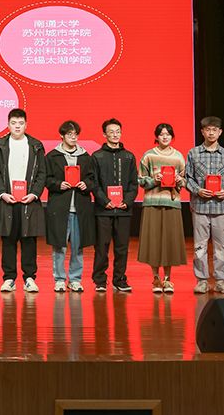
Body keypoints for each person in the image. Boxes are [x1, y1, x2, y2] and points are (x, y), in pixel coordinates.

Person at [0, 108, 48, 293]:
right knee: (8, 240)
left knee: (29, 240)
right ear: (8, 125)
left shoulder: (35, 146)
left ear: (26, 125)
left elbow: (42, 173)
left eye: (21, 123)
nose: (17, 127)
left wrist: (35, 193)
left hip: (29, 201)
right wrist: (2, 193)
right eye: (14, 123)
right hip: (8, 200)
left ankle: (29, 278)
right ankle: (9, 278)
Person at [184, 116, 224, 295]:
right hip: (200, 206)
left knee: (221, 247)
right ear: (202, 132)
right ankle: (201, 281)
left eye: (215, 129)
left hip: (221, 207)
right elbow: (188, 178)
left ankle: (221, 281)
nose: (211, 133)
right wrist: (198, 190)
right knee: (200, 246)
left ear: (220, 132)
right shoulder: (193, 153)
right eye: (208, 129)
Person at [42, 120, 96, 293]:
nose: (73, 137)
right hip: (60, 207)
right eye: (69, 134)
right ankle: (59, 279)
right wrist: (58, 184)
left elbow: (93, 179)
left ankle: (75, 279)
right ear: (62, 136)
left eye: (76, 134)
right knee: (59, 246)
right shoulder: (52, 156)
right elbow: (46, 179)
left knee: (78, 247)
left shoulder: (86, 156)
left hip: (80, 207)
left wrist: (86, 184)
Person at [137, 123, 187, 294]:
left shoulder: (178, 157)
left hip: (172, 203)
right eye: (161, 134)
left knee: (169, 242)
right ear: (156, 137)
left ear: (172, 136)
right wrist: (154, 179)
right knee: (153, 241)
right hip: (152, 202)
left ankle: (167, 279)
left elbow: (184, 180)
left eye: (168, 134)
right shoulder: (149, 155)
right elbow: (141, 180)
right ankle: (155, 278)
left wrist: (179, 180)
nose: (165, 137)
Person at [91, 118, 138, 293]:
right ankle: (100, 280)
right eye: (111, 132)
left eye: (117, 131)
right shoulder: (97, 156)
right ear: (104, 134)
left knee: (122, 248)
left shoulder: (129, 156)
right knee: (101, 246)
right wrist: (105, 201)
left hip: (124, 210)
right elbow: (94, 183)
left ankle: (119, 280)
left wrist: (127, 201)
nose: (115, 134)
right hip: (103, 210)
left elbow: (133, 184)